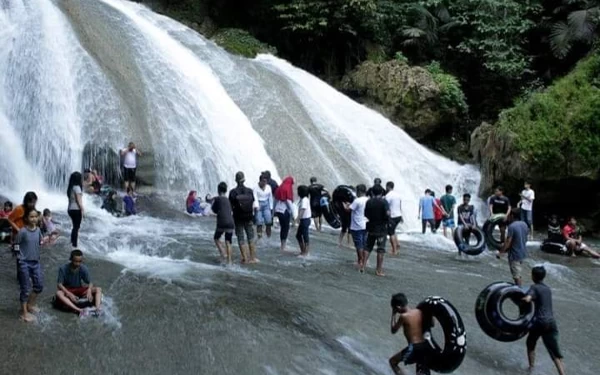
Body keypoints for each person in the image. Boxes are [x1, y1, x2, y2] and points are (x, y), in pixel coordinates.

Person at [522, 266, 566, 375]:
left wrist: (522, 298)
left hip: (540, 322)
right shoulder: (548, 289)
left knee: (530, 343)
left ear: (533, 276)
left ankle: (531, 368)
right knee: (553, 351)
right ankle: (562, 373)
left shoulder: (534, 287)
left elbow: (528, 298)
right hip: (551, 322)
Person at [14, 207, 44, 322]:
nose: (34, 219)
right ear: (26, 218)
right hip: (24, 263)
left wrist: (47, 239)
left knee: (39, 286)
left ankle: (30, 305)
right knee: (25, 288)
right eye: (31, 217)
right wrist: (19, 257)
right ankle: (23, 312)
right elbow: (16, 244)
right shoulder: (22, 231)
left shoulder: (38, 230)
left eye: (36, 216)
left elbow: (39, 242)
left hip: (35, 262)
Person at [389, 293, 431, 375]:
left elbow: (393, 330)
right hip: (425, 345)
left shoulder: (403, 317)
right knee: (422, 371)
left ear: (398, 307)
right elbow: (431, 324)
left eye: (395, 309)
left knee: (393, 361)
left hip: (414, 348)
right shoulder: (419, 311)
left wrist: (393, 314)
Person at [55, 249, 103, 315]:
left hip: (79, 289)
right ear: (71, 259)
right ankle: (79, 310)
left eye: (80, 261)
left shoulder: (83, 268)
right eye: (75, 261)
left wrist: (89, 290)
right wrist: (68, 293)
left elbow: (90, 282)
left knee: (98, 289)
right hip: (68, 290)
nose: (78, 264)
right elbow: (59, 284)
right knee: (58, 293)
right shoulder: (63, 268)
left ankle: (97, 309)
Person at [229, 171, 258, 263]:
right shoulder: (250, 191)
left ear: (236, 180)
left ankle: (245, 258)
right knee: (251, 237)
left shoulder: (233, 192)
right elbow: (253, 202)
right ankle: (253, 258)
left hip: (238, 218)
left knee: (240, 237)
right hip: (249, 217)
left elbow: (230, 206)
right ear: (244, 180)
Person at [363, 185, 390, 276]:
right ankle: (378, 270)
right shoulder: (384, 202)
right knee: (380, 249)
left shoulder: (369, 201)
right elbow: (387, 213)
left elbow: (365, 214)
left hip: (371, 226)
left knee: (368, 247)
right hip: (381, 228)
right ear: (382, 192)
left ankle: (362, 266)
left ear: (372, 192)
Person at [498, 209, 528, 286]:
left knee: (516, 276)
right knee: (518, 272)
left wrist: (501, 252)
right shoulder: (524, 224)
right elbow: (525, 238)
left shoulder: (512, 226)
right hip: (523, 252)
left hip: (515, 254)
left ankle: (519, 292)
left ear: (512, 216)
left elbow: (508, 242)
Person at [344, 184, 368, 269]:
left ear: (359, 191)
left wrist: (345, 205)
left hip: (357, 225)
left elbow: (348, 210)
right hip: (366, 224)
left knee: (358, 245)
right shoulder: (368, 200)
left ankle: (359, 261)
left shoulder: (357, 200)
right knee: (365, 244)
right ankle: (364, 261)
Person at [211, 182, 235, 265]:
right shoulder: (228, 200)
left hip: (222, 222)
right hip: (231, 222)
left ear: (218, 190)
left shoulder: (217, 199)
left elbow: (214, 210)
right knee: (228, 241)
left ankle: (223, 254)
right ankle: (229, 261)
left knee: (216, 238)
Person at [274, 176, 295, 252]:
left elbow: (275, 201)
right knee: (285, 228)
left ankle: (282, 245)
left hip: (278, 211)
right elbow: (289, 203)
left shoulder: (279, 188)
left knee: (282, 228)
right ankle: (283, 246)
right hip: (285, 211)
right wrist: (293, 215)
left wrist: (273, 211)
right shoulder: (287, 189)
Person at [385, 182, 403, 256]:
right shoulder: (398, 195)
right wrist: (401, 216)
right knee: (393, 230)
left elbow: (386, 206)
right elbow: (400, 205)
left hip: (392, 216)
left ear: (388, 187)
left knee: (390, 233)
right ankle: (397, 244)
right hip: (398, 215)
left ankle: (394, 250)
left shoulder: (388, 195)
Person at [254, 175, 274, 239]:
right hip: (259, 203)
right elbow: (255, 198)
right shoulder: (255, 188)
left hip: (266, 204)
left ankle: (269, 237)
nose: (264, 183)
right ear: (260, 181)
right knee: (259, 222)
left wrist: (271, 208)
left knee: (268, 222)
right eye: (263, 181)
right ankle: (259, 237)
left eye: (266, 181)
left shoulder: (268, 187)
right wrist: (257, 206)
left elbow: (270, 197)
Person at [295, 185, 312, 257]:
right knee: (298, 235)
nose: (297, 192)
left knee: (305, 236)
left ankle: (306, 252)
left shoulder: (304, 200)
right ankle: (303, 251)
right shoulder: (304, 199)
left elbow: (303, 210)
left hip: (305, 219)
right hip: (304, 219)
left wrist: (298, 218)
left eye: (298, 191)